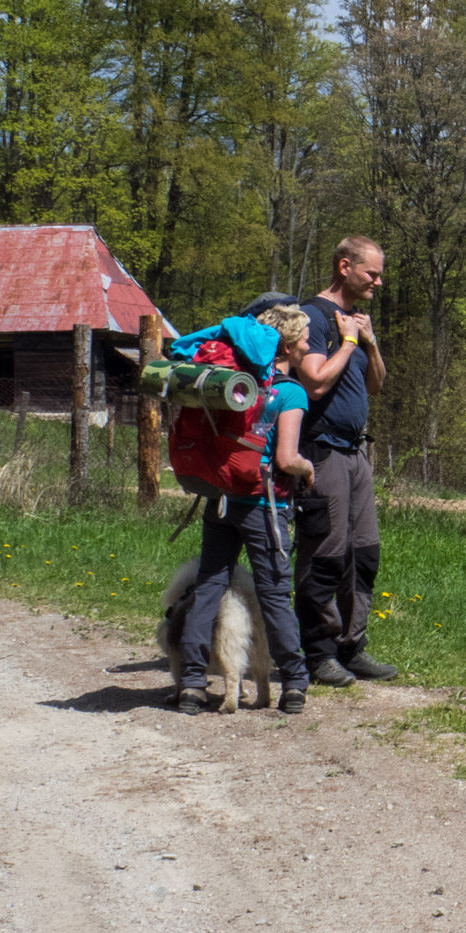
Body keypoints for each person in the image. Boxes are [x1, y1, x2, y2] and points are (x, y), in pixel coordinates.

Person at [177, 305, 315, 715]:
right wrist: (308, 469)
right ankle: (293, 682)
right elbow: (288, 459)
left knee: (208, 589)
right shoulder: (289, 392)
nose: (310, 344)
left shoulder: (232, 383)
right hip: (263, 504)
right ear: (287, 345)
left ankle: (191, 685)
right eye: (305, 338)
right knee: (274, 594)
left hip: (220, 498)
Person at [294, 234, 397, 686]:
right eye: (371, 272)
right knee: (325, 552)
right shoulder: (311, 317)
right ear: (344, 267)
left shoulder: (355, 323)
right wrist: (348, 342)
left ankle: (352, 647)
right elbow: (314, 383)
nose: (378, 280)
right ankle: (317, 652)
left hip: (355, 451)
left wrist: (368, 343)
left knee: (363, 553)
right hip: (322, 450)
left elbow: (376, 386)